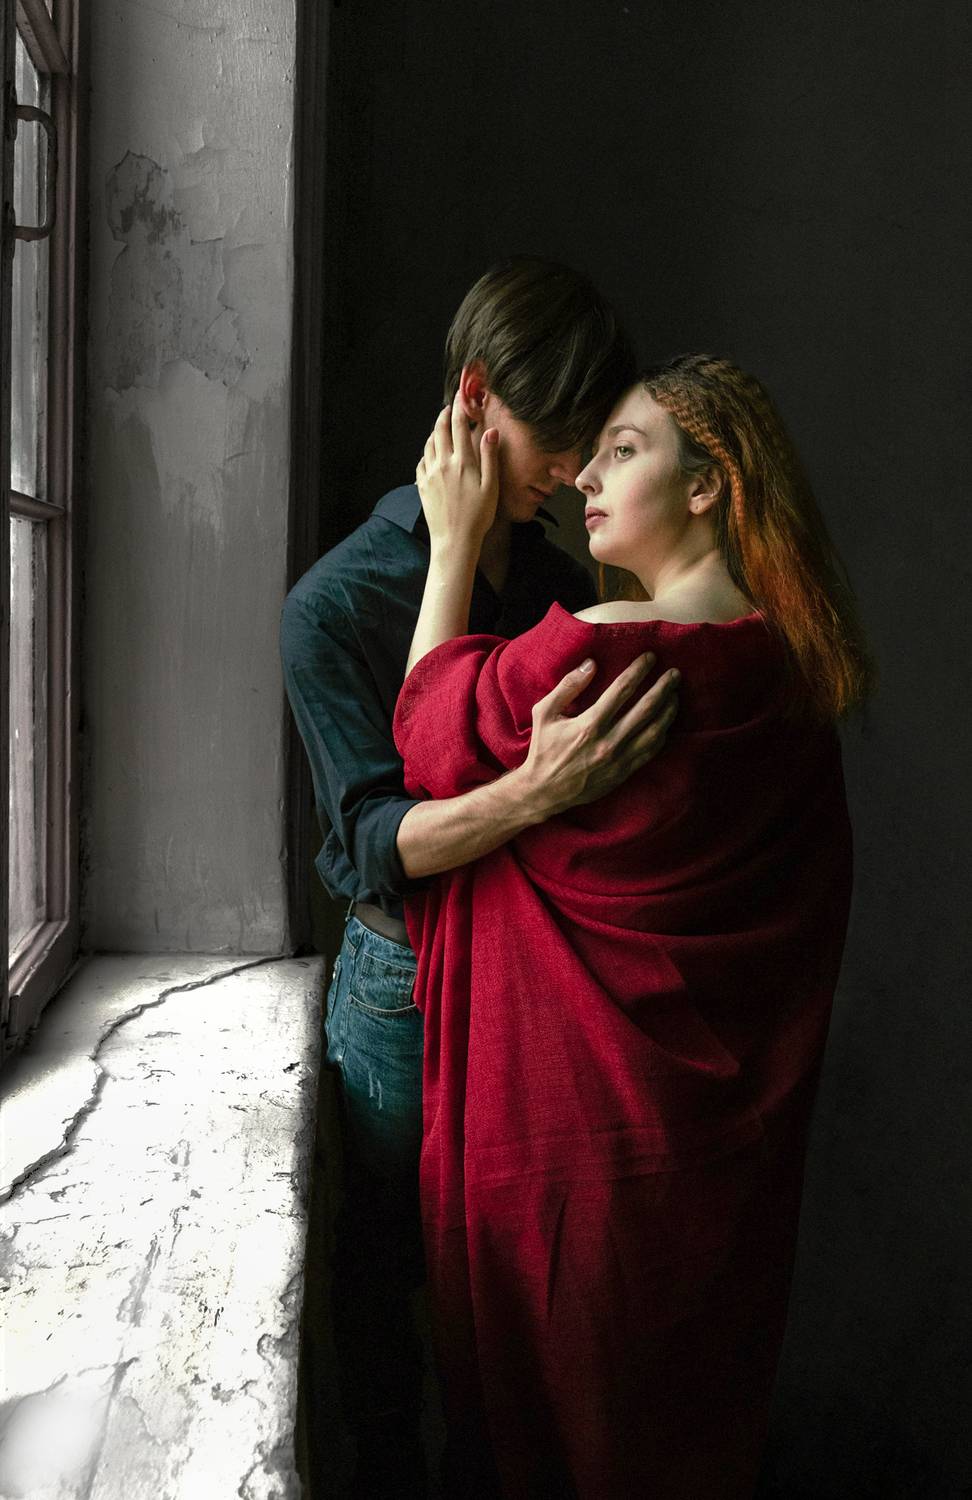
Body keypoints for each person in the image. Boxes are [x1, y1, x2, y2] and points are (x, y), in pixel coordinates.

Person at [393, 355, 873, 1498]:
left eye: (623, 450)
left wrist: (453, 547)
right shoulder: (792, 676)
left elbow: (425, 734)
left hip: (570, 1155)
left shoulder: (602, 645)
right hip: (712, 1165)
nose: (585, 479)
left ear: (706, 486)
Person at [279, 258, 681, 1498]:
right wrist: (535, 793)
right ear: (474, 397)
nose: (571, 469)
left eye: (593, 443)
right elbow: (376, 842)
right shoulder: (334, 607)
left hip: (541, 968)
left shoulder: (560, 585)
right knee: (392, 1282)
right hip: (404, 985)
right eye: (557, 435)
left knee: (516, 1292)